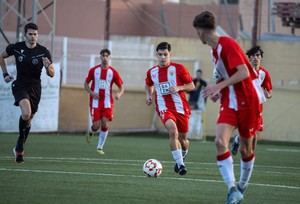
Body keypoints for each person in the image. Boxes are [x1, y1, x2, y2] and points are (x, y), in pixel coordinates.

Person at [193, 11, 263, 204]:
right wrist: (217, 92)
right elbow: (224, 76)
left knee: (245, 150)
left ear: (201, 30)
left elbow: (243, 73)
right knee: (219, 142)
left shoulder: (228, 44)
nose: (197, 35)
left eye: (197, 31)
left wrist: (219, 86)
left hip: (248, 101)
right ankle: (232, 189)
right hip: (229, 102)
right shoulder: (213, 50)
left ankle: (242, 185)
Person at [0, 23, 55, 163]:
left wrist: (48, 67)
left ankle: (19, 147)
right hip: (20, 85)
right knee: (26, 113)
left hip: (36, 88)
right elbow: (1, 57)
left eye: (35, 34)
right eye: (30, 34)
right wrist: (5, 73)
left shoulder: (43, 51)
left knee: (28, 121)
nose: (33, 37)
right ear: (25, 35)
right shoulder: (16, 48)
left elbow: (52, 74)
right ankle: (19, 146)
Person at [145, 42, 195, 175]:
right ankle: (181, 165)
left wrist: (179, 87)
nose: (162, 57)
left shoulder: (179, 68)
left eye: (165, 54)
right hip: (164, 108)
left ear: (169, 54)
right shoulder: (152, 72)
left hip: (181, 109)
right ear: (157, 55)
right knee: (173, 131)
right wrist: (149, 95)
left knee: (183, 141)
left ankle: (182, 156)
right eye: (160, 54)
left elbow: (191, 86)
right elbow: (148, 84)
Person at [231, 46, 272, 155]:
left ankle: (249, 152)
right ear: (249, 58)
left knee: (254, 133)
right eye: (253, 55)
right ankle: (238, 142)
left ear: (261, 57)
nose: (255, 58)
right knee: (245, 130)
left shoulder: (264, 73)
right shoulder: (244, 71)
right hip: (244, 105)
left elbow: (269, 92)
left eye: (258, 55)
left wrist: (268, 94)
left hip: (257, 106)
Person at [84, 48, 124, 155]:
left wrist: (119, 94)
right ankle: (92, 131)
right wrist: (92, 93)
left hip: (107, 103)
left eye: (107, 56)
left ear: (109, 57)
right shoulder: (94, 70)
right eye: (103, 56)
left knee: (104, 123)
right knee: (96, 126)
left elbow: (121, 87)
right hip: (95, 103)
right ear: (100, 57)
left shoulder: (113, 72)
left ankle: (100, 147)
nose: (105, 58)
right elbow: (86, 84)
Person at [188, 69, 207, 139]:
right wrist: (195, 88)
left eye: (199, 74)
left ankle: (198, 135)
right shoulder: (192, 81)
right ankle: (189, 134)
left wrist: (204, 103)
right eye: (197, 74)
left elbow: (205, 94)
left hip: (200, 103)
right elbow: (188, 91)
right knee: (191, 118)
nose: (198, 75)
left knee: (198, 119)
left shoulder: (204, 83)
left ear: (201, 74)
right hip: (192, 102)